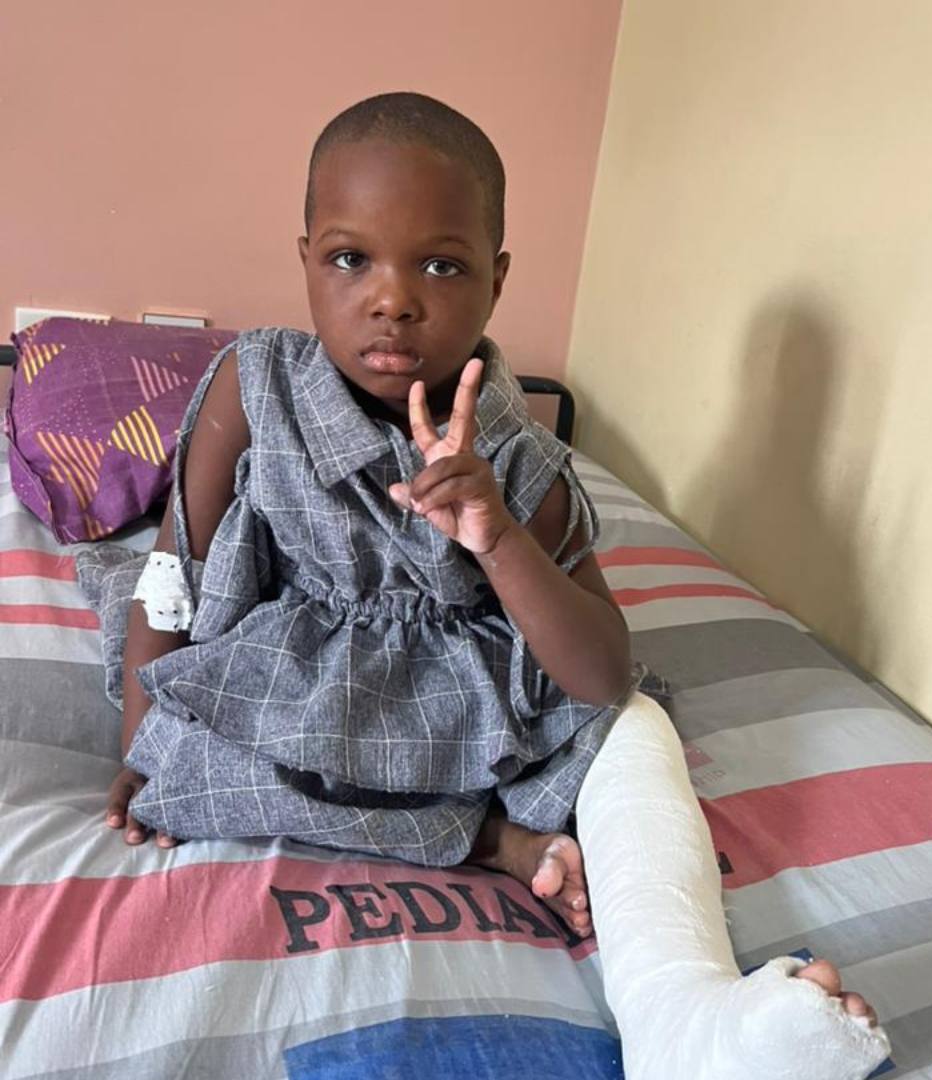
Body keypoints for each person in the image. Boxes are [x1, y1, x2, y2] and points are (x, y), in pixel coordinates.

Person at [80, 93, 890, 1080]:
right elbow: (176, 570)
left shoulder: (524, 457)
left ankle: (688, 1019)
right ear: (305, 261)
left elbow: (600, 673)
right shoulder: (252, 387)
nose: (393, 299)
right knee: (208, 773)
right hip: (294, 683)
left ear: (496, 280)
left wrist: (496, 534)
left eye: (441, 265)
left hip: (472, 700)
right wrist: (144, 740)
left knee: (636, 734)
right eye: (351, 259)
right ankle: (492, 843)